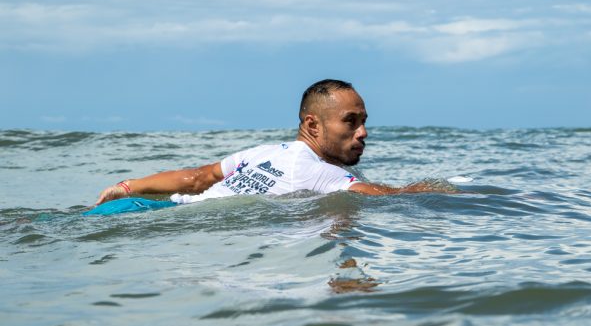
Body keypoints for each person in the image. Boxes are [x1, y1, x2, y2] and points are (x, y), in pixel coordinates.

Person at [95, 79, 456, 205]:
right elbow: (394, 196)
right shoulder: (319, 174)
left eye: (363, 122)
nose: (362, 132)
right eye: (351, 122)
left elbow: (198, 178)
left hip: (143, 207)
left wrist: (128, 187)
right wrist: (455, 191)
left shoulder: (264, 153)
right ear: (312, 124)